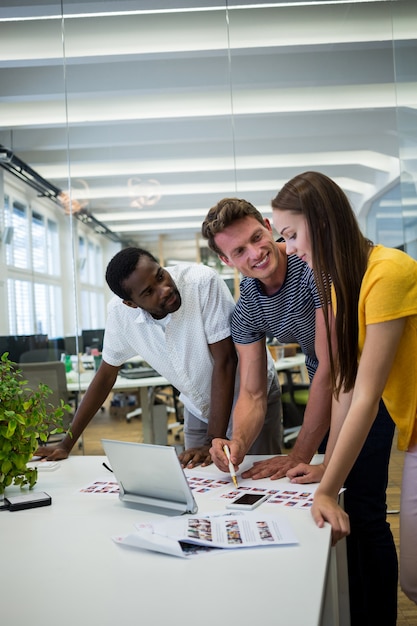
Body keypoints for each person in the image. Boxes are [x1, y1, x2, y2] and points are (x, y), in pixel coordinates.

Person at [202, 197, 399, 626]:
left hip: (367, 391)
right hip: (333, 398)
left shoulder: (313, 272)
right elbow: (253, 391)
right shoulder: (245, 310)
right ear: (224, 259)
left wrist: (299, 454)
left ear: (268, 225)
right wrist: (237, 441)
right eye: (239, 251)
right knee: (333, 509)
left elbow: (332, 368)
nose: (256, 253)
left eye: (257, 237)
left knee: (364, 509)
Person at [272, 171, 417, 609]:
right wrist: (328, 469)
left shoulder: (387, 271)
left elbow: (367, 395)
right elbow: (345, 384)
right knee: (415, 581)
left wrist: (328, 490)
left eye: (292, 235)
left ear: (320, 221)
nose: (291, 249)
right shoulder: (341, 286)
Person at [36, 247, 281, 467]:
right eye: (149, 291)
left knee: (256, 476)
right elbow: (105, 376)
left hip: (248, 397)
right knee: (200, 483)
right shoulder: (121, 316)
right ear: (131, 303)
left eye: (161, 275)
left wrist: (212, 439)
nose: (165, 289)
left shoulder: (200, 283)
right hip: (200, 407)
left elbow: (226, 360)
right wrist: (66, 444)